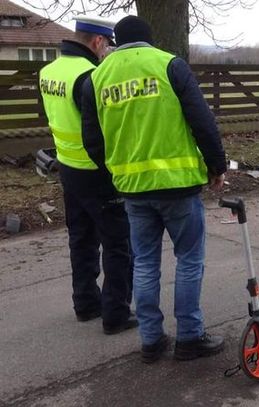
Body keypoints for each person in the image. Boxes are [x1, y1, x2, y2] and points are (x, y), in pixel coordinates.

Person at [81, 15, 228, 364]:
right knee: (189, 261)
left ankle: (151, 339)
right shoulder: (169, 65)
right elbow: (202, 120)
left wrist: (116, 172)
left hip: (133, 190)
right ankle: (190, 337)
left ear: (116, 41)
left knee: (145, 263)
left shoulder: (96, 78)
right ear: (149, 40)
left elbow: (92, 140)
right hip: (178, 187)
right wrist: (217, 166)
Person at [39, 16, 137, 335]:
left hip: (68, 170)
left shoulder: (49, 72)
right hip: (97, 173)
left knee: (81, 239)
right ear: (96, 42)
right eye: (107, 44)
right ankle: (116, 314)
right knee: (118, 243)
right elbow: (104, 129)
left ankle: (86, 304)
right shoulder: (90, 77)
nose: (107, 50)